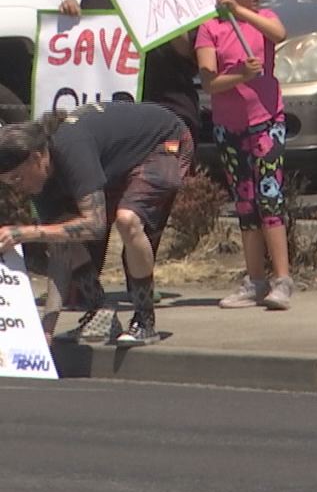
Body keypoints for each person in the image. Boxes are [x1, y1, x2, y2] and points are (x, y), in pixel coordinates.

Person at [54, 0, 202, 342]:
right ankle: (96, 307)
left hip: (162, 121)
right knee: (86, 215)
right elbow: (90, 40)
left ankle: (142, 314)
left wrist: (166, 14)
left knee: (132, 219)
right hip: (111, 126)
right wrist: (73, 16)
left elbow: (192, 54)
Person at [0, 101, 194, 345]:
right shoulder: (41, 183)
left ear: (37, 158)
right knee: (63, 230)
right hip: (119, 164)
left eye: (18, 177)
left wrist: (26, 232)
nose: (18, 187)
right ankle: (99, 311)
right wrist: (47, 329)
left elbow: (95, 225)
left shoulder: (70, 147)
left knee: (127, 219)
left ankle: (145, 321)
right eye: (9, 183)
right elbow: (61, 252)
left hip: (164, 141)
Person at [198, 0, 295, 311]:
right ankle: (254, 279)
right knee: (246, 202)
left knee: (271, 198)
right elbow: (210, 81)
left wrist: (241, 11)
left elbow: (279, 35)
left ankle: (282, 279)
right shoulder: (210, 29)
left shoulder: (263, 19)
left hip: (266, 121)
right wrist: (239, 76)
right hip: (230, 127)